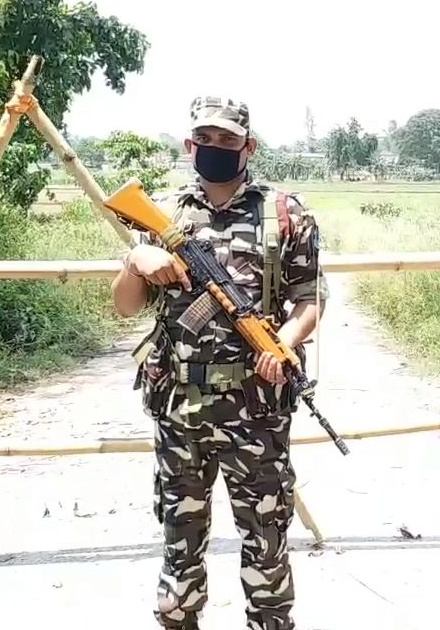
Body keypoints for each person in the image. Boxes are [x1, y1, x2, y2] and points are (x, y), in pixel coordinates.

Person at [110, 96, 329, 630]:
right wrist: (136, 260)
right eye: (206, 139)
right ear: (190, 146)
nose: (216, 148)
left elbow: (309, 299)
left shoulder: (285, 213)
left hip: (256, 410)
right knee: (179, 544)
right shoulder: (162, 215)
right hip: (179, 409)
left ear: (248, 147)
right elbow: (125, 304)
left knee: (267, 541)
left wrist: (285, 344)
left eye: (229, 140)